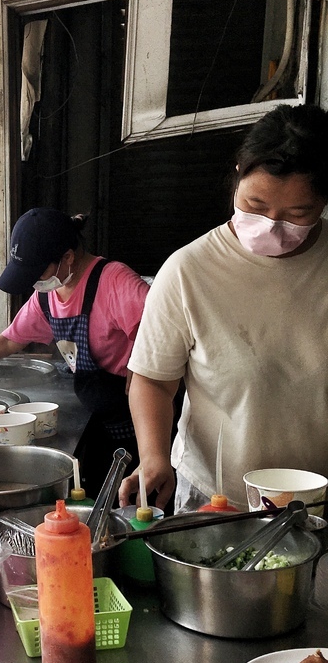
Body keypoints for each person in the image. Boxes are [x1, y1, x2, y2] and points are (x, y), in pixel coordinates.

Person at [119, 103, 328, 514]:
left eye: (297, 213)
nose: (272, 224)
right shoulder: (188, 271)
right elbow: (152, 380)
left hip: (320, 502)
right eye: (255, 205)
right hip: (217, 503)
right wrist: (154, 456)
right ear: (237, 174)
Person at [0, 207, 149, 495]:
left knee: (139, 500)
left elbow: (161, 330)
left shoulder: (114, 280)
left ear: (67, 257)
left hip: (138, 418)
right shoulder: (47, 296)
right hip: (97, 414)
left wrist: (142, 365)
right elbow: (9, 341)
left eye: (37, 272)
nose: (34, 282)